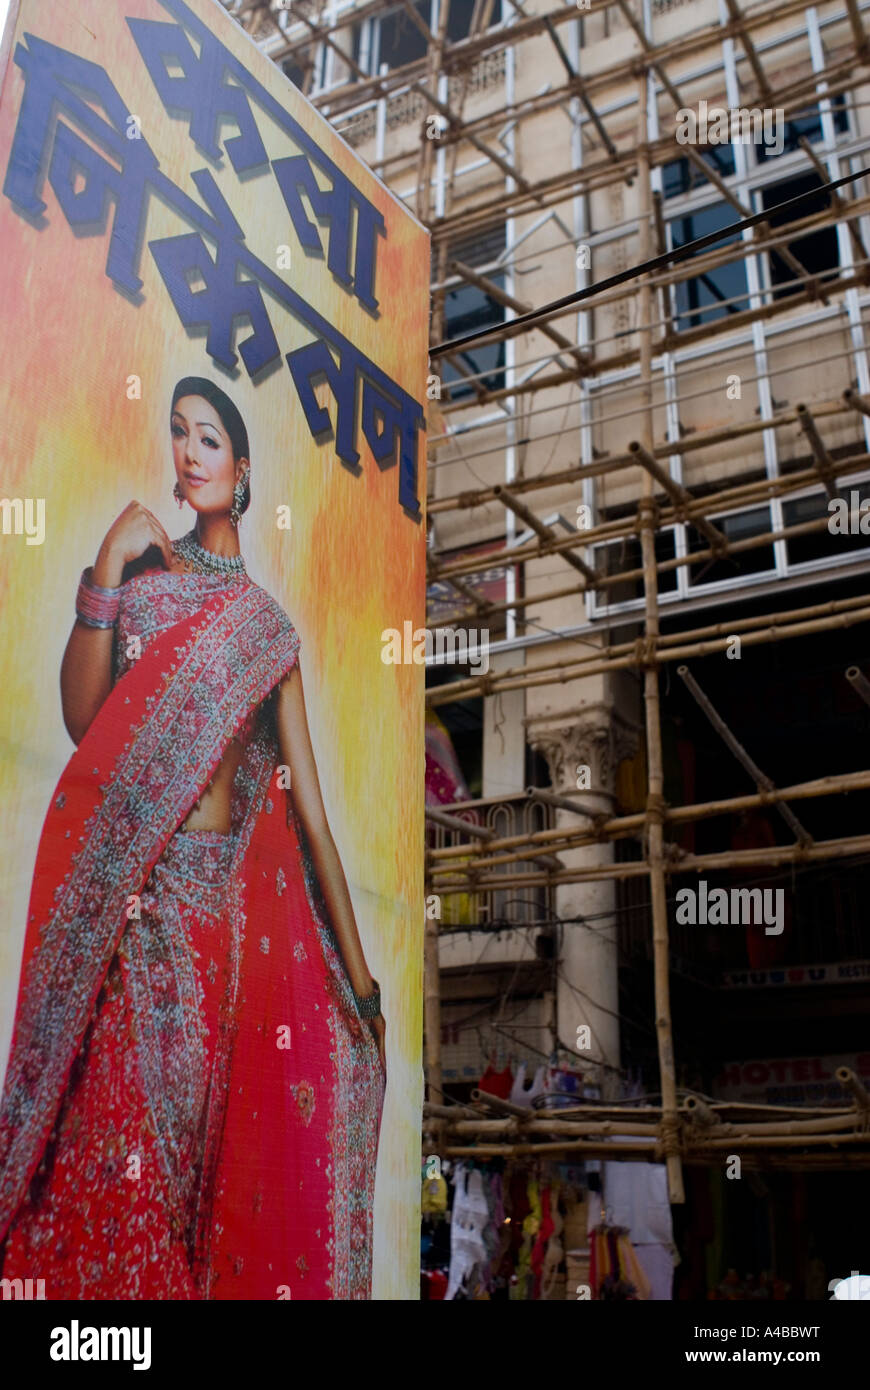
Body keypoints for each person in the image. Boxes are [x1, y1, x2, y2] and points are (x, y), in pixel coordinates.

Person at [0, 377, 385, 1299]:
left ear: (241, 470)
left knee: (190, 1165)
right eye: (178, 433)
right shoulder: (143, 581)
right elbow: (87, 723)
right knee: (114, 1137)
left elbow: (315, 825)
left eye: (208, 438)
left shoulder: (266, 630)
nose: (187, 452)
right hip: (132, 916)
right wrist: (102, 570)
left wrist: (363, 986)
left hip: (216, 936)